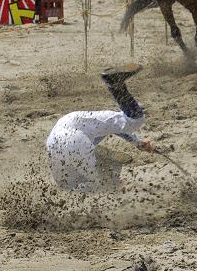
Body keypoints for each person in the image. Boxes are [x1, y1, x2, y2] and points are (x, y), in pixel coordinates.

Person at [46, 64, 153, 192]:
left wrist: (138, 143)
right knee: (137, 120)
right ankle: (115, 84)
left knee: (67, 186)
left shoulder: (85, 122)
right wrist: (137, 143)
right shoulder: (97, 121)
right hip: (75, 140)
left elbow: (118, 128)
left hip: (52, 143)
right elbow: (122, 126)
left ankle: (103, 185)